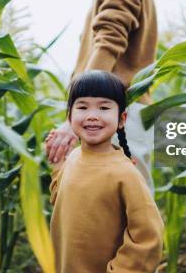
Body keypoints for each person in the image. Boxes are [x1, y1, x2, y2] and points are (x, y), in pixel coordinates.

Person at [46, 0, 158, 190]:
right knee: (122, 216)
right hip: (116, 113)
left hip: (117, 115)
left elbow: (108, 44)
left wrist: (79, 115)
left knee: (123, 220)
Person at [48, 70, 164, 273]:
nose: (92, 115)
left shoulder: (125, 173)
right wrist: (57, 165)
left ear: (121, 119)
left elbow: (148, 235)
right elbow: (63, 198)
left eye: (103, 108)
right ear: (70, 116)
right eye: (82, 107)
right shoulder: (73, 158)